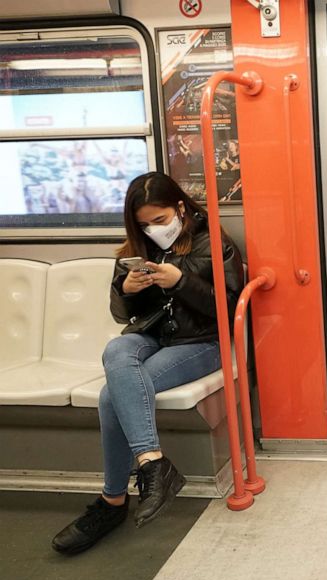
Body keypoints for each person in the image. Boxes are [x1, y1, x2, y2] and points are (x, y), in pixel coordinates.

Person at [52, 172, 245, 555]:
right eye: (144, 224)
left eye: (159, 221)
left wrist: (180, 281)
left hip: (202, 342)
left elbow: (228, 308)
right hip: (154, 337)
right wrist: (126, 291)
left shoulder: (214, 243)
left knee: (112, 396)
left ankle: (112, 502)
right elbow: (122, 317)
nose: (153, 230)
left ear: (179, 207)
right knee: (115, 352)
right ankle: (153, 463)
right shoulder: (136, 249)